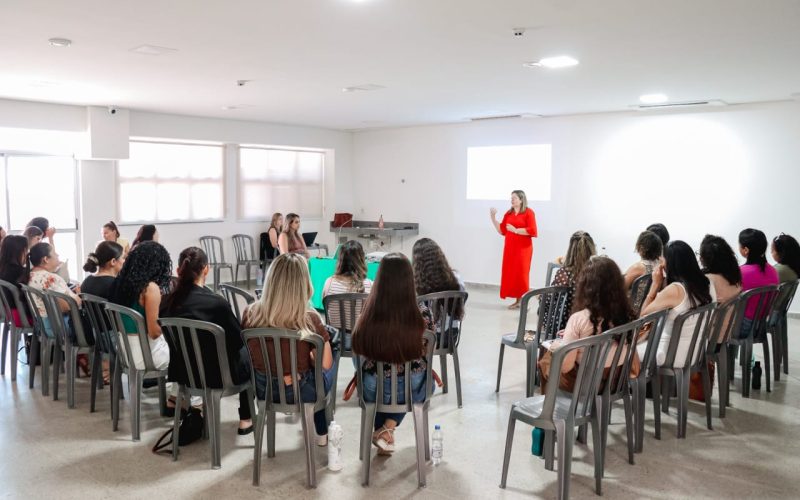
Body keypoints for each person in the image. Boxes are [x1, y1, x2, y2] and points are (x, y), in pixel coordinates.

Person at [243, 253, 335, 446]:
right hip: (302, 391)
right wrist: (310, 361)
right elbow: (325, 364)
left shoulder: (250, 313)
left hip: (264, 388)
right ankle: (322, 432)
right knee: (326, 367)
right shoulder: (310, 318)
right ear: (304, 283)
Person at [160, 247, 253, 434]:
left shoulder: (166, 302)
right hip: (218, 375)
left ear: (179, 270)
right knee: (248, 352)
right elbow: (237, 341)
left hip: (184, 372)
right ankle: (246, 418)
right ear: (206, 269)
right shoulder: (216, 303)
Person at [352, 253, 434, 456]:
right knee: (422, 383)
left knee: (378, 380)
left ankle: (385, 431)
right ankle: (387, 429)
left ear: (380, 278)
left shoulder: (369, 310)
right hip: (412, 387)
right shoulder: (423, 311)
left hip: (374, 388)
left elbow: (358, 346)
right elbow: (429, 348)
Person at [539, 256, 635, 393]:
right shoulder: (628, 315)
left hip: (583, 384)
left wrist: (557, 347)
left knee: (546, 358)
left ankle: (548, 404)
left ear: (586, 286)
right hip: (614, 381)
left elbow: (566, 367)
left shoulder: (579, 319)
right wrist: (573, 336)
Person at [639, 241, 716, 367]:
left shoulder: (675, 290)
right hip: (696, 351)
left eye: (662, 259)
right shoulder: (707, 283)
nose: (660, 263)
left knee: (625, 352)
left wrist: (655, 285)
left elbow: (643, 317)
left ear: (670, 263)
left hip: (672, 354)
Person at [110, 241, 172, 371]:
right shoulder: (150, 288)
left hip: (123, 352)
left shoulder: (120, 283)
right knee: (186, 351)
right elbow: (154, 333)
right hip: (145, 356)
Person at [28, 242, 87, 374]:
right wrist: (78, 295)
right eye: (54, 253)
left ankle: (84, 360)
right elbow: (68, 306)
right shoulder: (52, 278)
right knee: (96, 327)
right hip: (60, 326)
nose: (58, 255)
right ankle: (97, 367)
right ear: (46, 259)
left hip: (43, 326)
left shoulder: (30, 275)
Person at [489, 190, 538, 309]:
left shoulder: (529, 212)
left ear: (521, 200)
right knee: (513, 274)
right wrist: (493, 217)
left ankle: (524, 303)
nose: (512, 200)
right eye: (511, 198)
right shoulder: (509, 213)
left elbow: (532, 230)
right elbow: (502, 230)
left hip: (523, 249)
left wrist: (516, 230)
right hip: (510, 249)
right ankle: (518, 302)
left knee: (522, 274)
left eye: (514, 198)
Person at [322, 240, 373, 335]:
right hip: (361, 341)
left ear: (340, 260)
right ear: (362, 259)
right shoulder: (370, 285)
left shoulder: (329, 283)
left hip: (335, 340)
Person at [547, 231, 596, 330]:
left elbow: (550, 300)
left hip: (567, 325)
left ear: (570, 250)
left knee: (544, 302)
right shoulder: (597, 271)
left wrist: (540, 297)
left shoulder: (565, 273)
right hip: (591, 324)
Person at [698, 235, 742, 344]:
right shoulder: (735, 276)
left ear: (706, 259)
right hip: (728, 332)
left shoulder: (708, 280)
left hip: (707, 337)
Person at [736, 228, 779, 340]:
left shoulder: (740, 272)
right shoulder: (773, 271)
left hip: (744, 327)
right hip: (762, 324)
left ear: (745, 250)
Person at [0, 235, 30, 326]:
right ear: (22, 251)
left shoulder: (3, 269)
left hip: (6, 311)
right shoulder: (20, 272)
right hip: (20, 315)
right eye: (27, 250)